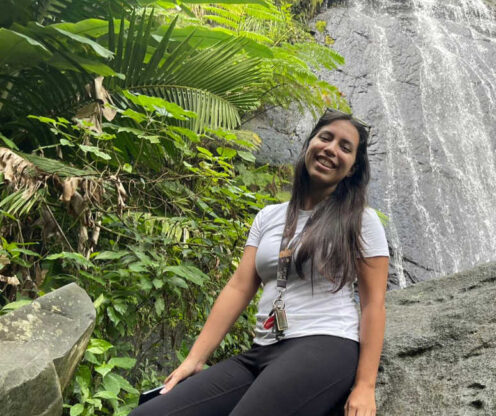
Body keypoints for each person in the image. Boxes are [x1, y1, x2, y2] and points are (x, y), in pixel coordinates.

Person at [130, 108, 389, 416]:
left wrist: (365, 386)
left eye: (345, 147)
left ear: (351, 169)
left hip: (325, 344)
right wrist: (194, 359)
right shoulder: (269, 216)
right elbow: (239, 287)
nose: (331, 149)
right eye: (325, 138)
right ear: (309, 144)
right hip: (261, 351)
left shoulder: (361, 220)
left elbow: (374, 304)